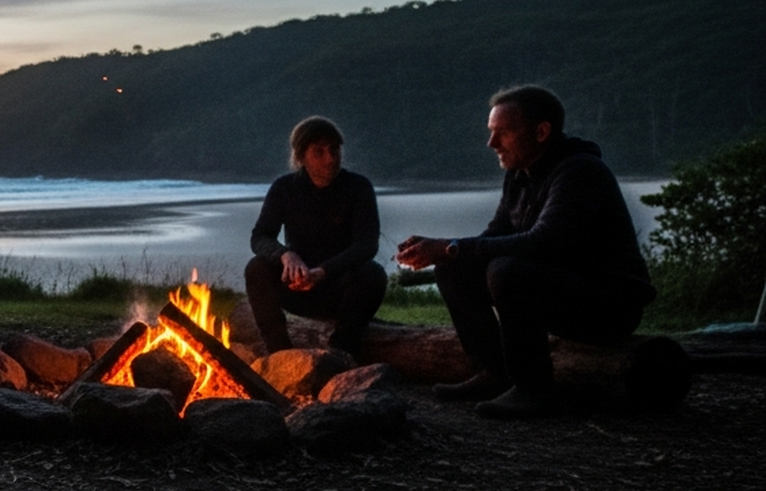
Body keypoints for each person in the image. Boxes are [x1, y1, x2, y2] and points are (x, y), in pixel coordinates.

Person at [394, 85, 655, 419]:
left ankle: (534, 389)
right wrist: (444, 250)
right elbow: (494, 237)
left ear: (541, 131)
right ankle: (494, 373)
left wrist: (451, 246)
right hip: (560, 291)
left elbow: (546, 242)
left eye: (502, 133)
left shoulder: (580, 172)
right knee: (453, 267)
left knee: (506, 271)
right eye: (491, 133)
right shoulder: (519, 176)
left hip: (608, 304)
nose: (492, 144)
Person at [244, 116, 386, 357]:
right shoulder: (284, 188)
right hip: (297, 287)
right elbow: (260, 236)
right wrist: (285, 255)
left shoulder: (358, 188)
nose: (330, 158)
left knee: (373, 274)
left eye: (334, 149)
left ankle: (341, 352)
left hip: (340, 287)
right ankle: (279, 353)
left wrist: (323, 272)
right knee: (256, 268)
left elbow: (367, 244)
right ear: (301, 157)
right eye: (319, 152)